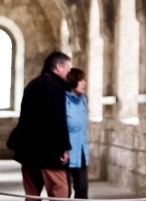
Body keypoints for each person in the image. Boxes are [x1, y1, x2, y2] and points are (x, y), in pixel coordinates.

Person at [16, 51, 71, 201]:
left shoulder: (32, 84)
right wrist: (64, 147)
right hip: (49, 151)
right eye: (68, 68)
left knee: (31, 195)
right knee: (60, 191)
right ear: (59, 67)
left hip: (27, 149)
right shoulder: (55, 87)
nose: (69, 73)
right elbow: (57, 119)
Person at [66, 68, 90, 199]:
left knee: (82, 190)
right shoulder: (63, 100)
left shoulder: (83, 101)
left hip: (81, 152)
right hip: (66, 152)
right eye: (81, 80)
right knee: (65, 192)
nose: (84, 83)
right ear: (73, 80)